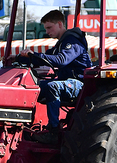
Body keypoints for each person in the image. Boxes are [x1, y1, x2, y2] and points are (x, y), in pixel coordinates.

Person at [18, 10, 92, 144]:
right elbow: (44, 59)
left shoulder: (73, 42)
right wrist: (20, 58)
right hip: (67, 82)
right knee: (33, 88)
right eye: (46, 28)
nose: (47, 31)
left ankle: (53, 131)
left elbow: (61, 60)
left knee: (53, 86)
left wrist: (34, 54)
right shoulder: (61, 44)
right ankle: (25, 126)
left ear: (59, 24)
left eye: (49, 27)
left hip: (80, 84)